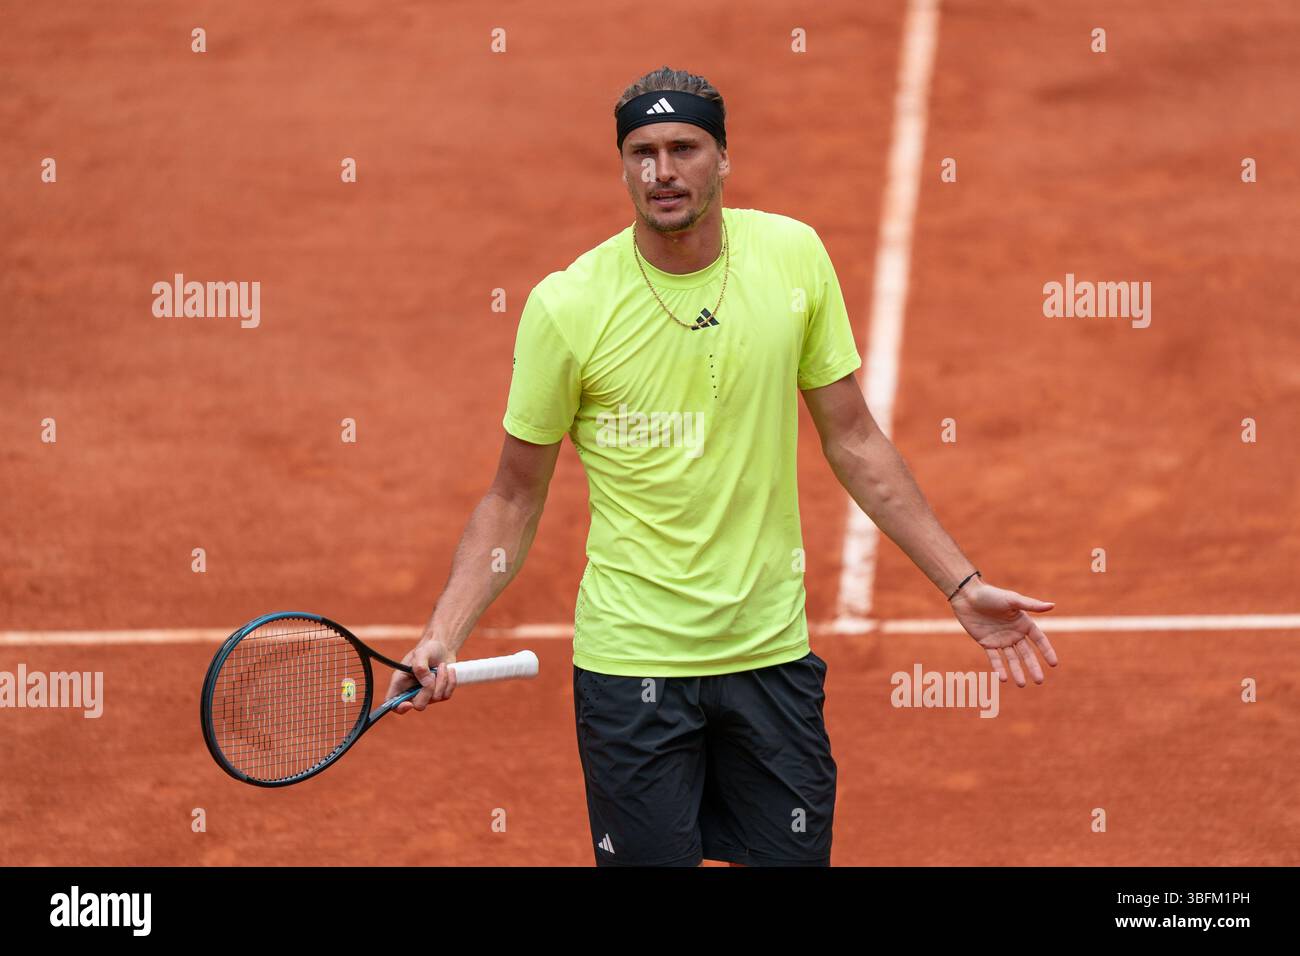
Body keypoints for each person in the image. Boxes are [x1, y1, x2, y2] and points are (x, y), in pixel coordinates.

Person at [389, 66, 1058, 867]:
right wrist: (443, 632)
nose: (662, 173)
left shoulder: (793, 257)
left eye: (684, 148)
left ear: (723, 158)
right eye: (642, 152)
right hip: (631, 666)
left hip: (769, 654)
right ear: (623, 165)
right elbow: (513, 497)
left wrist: (959, 582)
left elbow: (854, 439)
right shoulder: (567, 307)